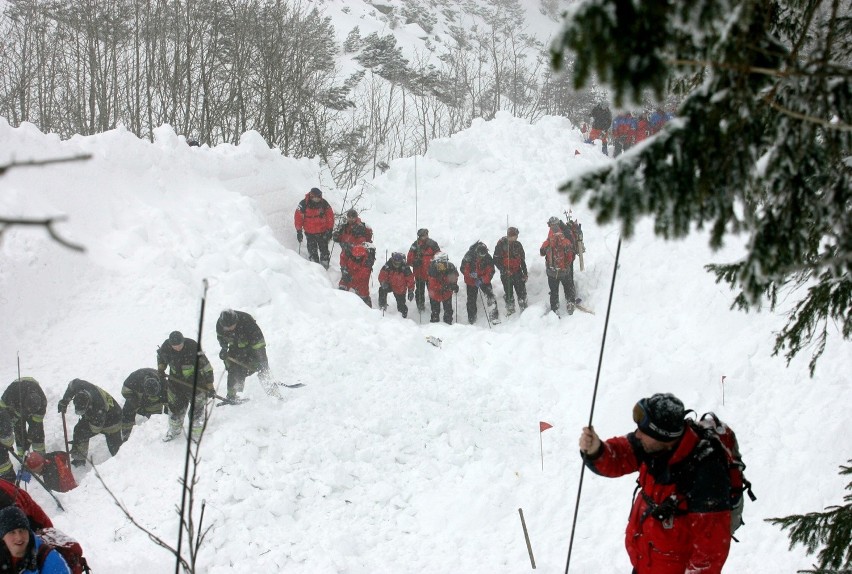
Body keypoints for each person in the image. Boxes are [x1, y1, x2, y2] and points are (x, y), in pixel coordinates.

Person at [579, 393, 733, 574]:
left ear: (664, 436)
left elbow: (709, 554)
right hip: (647, 562)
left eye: (644, 431)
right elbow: (618, 456)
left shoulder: (706, 474)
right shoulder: (652, 445)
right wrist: (597, 450)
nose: (637, 434)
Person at [157, 331, 215, 441]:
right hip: (176, 384)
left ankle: (196, 434)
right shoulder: (166, 347)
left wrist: (210, 386)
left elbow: (206, 368)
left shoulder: (193, 347)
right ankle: (174, 431)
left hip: (196, 384)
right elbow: (161, 357)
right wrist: (161, 368)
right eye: (175, 346)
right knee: (175, 410)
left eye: (179, 345)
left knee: (197, 411)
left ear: (183, 341)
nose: (177, 348)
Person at [57, 379, 122, 467]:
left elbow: (95, 429)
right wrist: (65, 401)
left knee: (115, 448)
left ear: (88, 405)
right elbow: (71, 386)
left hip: (113, 419)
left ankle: (122, 462)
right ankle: (79, 459)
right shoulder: (79, 385)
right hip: (94, 414)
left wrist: (80, 438)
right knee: (79, 431)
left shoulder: (99, 407)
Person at [216, 309, 274, 401]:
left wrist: (262, 361)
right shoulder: (220, 324)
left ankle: (273, 391)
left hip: (252, 347)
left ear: (236, 321)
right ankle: (232, 395)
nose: (230, 328)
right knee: (233, 368)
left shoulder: (247, 322)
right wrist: (223, 349)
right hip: (236, 348)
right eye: (227, 327)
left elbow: (259, 343)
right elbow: (221, 338)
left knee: (262, 368)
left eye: (232, 326)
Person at [0, 506, 70, 573]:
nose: (19, 537)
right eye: (12, 532)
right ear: (3, 536)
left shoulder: (50, 560)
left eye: (22, 530)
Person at [0, 378, 47, 458]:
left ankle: (40, 456)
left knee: (38, 433)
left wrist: (29, 439)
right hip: (16, 405)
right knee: (19, 430)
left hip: (27, 394)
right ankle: (22, 457)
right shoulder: (10, 396)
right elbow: (3, 414)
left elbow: (36, 424)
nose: (28, 414)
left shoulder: (42, 403)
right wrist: (6, 440)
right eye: (28, 411)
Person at [540, 217, 577, 315]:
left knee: (553, 292)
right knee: (568, 288)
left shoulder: (548, 241)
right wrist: (567, 266)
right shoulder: (566, 240)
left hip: (552, 272)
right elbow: (570, 256)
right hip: (564, 271)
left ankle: (555, 309)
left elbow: (541, 252)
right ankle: (570, 303)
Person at [120, 368, 167, 441]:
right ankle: (127, 434)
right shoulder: (133, 380)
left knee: (155, 415)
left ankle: (153, 433)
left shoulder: (164, 384)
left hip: (154, 400)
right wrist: (135, 401)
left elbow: (169, 404)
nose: (152, 397)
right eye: (151, 396)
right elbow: (124, 392)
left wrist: (167, 418)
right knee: (129, 408)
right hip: (134, 396)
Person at [294, 187, 335, 269]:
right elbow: (298, 218)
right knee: (312, 251)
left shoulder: (324, 203)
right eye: (315, 197)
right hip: (310, 233)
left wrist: (330, 230)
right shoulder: (303, 204)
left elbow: (330, 216)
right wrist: (299, 231)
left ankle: (325, 266)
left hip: (322, 232)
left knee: (324, 251)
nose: (317, 199)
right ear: (312, 196)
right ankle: (315, 268)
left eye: (318, 197)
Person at [460, 241, 499, 324]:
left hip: (483, 279)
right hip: (471, 281)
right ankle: (472, 319)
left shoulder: (487, 257)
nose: (481, 257)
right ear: (476, 252)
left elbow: (491, 271)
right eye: (480, 255)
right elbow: (463, 268)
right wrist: (470, 274)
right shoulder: (469, 256)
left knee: (490, 295)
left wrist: (483, 279)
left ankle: (494, 316)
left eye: (483, 255)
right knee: (471, 300)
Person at [492, 227, 528, 315]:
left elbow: (522, 260)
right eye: (515, 236)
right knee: (508, 293)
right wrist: (504, 270)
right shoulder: (501, 245)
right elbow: (496, 260)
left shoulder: (518, 245)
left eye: (516, 236)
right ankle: (510, 310)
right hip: (506, 274)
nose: (516, 238)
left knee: (521, 291)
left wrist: (525, 273)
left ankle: (524, 308)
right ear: (510, 236)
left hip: (517, 272)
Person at [407, 228, 441, 314]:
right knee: (419, 292)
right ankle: (420, 307)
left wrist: (435, 265)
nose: (425, 236)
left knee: (433, 292)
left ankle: (435, 309)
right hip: (419, 274)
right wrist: (415, 261)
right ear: (419, 236)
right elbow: (409, 259)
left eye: (426, 234)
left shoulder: (433, 244)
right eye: (423, 235)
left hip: (431, 274)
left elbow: (439, 256)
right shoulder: (415, 245)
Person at [378, 252, 415, 318]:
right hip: (390, 285)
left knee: (401, 305)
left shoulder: (405, 268)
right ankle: (382, 306)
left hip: (400, 288)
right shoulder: (388, 266)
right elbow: (382, 275)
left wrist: (411, 291)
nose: (397, 265)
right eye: (395, 263)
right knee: (382, 289)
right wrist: (383, 283)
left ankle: (403, 317)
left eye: (398, 263)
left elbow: (410, 280)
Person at [426, 252, 459, 324]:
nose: (441, 267)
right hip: (434, 294)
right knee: (435, 312)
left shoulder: (451, 268)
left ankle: (448, 324)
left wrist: (454, 285)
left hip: (447, 294)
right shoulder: (432, 270)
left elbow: (454, 278)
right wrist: (448, 287)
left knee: (448, 311)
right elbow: (433, 285)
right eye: (440, 264)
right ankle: (434, 325)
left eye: (443, 264)